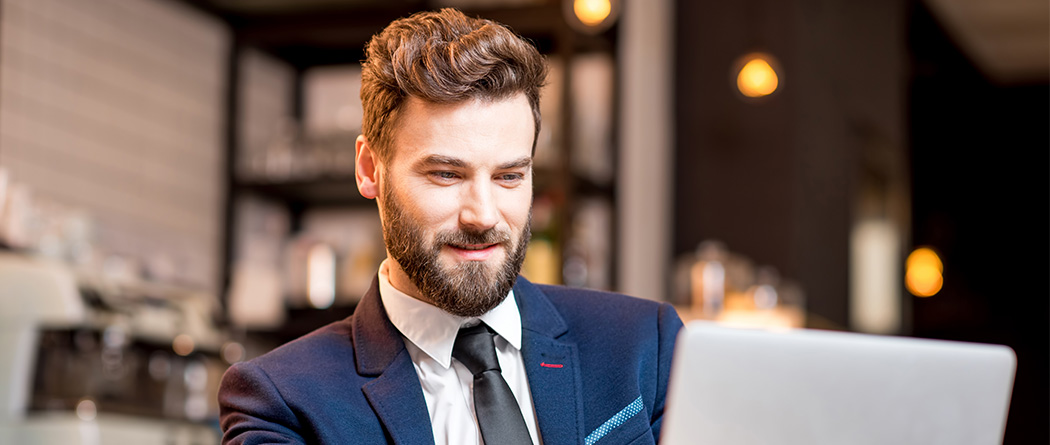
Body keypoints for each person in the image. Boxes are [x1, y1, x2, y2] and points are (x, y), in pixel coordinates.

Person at [218, 8, 684, 445]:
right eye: (446, 174)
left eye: (509, 176)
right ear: (369, 169)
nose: (482, 215)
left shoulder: (645, 344)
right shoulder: (281, 401)